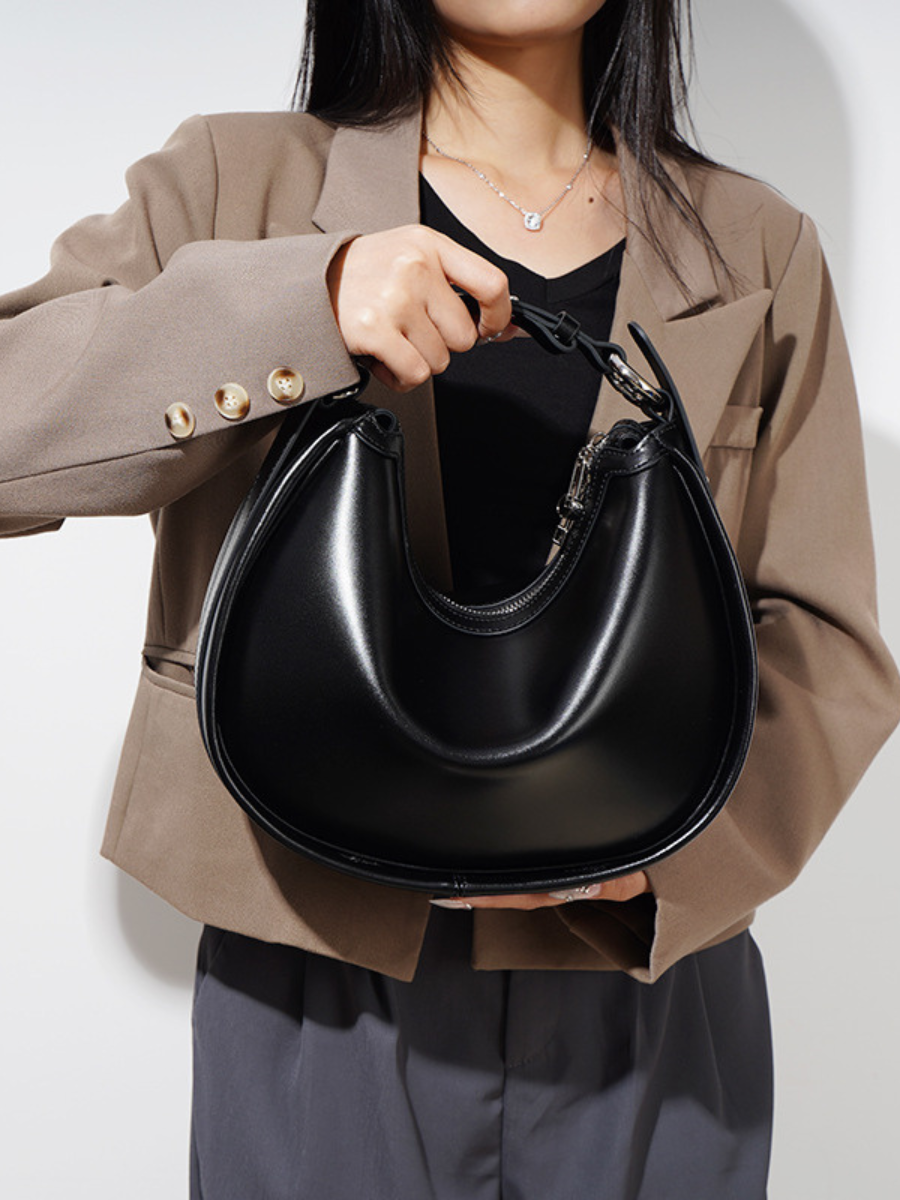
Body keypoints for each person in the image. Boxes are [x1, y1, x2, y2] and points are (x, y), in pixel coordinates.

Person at [1, 1, 898, 1196]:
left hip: (642, 978)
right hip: (316, 956)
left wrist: (672, 864)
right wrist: (306, 304)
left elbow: (823, 636)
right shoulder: (240, 180)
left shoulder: (757, 244)